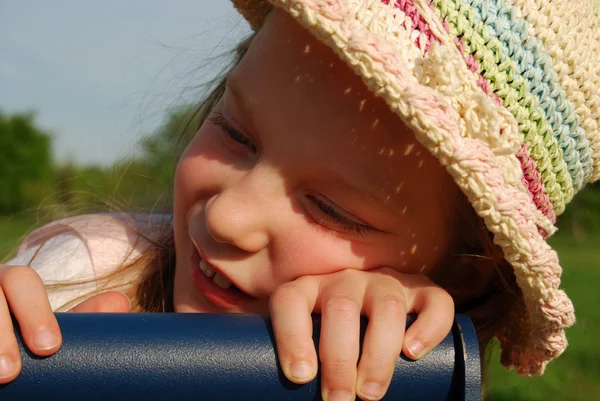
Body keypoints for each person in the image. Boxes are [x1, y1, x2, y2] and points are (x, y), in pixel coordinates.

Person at [1, 0, 598, 400]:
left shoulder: (415, 377)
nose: (228, 216)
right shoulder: (80, 278)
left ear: (466, 276)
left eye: (332, 209)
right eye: (236, 133)